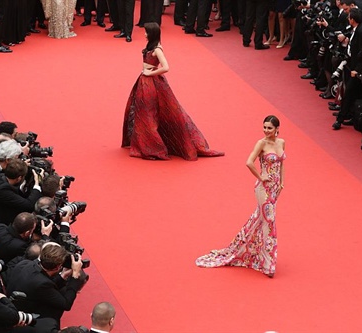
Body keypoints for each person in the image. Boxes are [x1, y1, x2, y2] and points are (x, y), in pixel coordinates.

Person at [196, 115, 285, 278]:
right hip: (263, 189)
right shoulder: (261, 144)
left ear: (277, 129)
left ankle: (245, 249)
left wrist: (282, 183)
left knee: (260, 220)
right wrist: (260, 177)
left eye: (269, 128)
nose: (266, 131)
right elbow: (249, 162)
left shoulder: (281, 143)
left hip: (274, 189)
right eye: (264, 127)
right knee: (269, 222)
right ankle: (268, 264)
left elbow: (282, 163)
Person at [121, 23, 224, 161]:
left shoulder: (158, 49)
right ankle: (146, 145)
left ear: (153, 34)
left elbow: (166, 67)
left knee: (148, 114)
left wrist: (151, 73)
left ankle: (153, 148)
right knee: (144, 113)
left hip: (151, 83)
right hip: (144, 82)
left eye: (147, 32)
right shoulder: (151, 46)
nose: (145, 34)